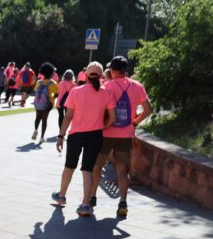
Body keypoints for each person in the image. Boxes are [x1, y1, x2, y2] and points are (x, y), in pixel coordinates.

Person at [90, 56, 152, 218]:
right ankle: (123, 202)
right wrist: (135, 122)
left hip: (106, 133)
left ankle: (92, 197)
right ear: (126, 70)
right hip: (126, 134)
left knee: (97, 165)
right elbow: (148, 109)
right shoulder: (137, 86)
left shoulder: (107, 86)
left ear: (112, 70)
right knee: (122, 170)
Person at [53, 62, 116, 217]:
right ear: (101, 76)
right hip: (95, 135)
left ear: (85, 75)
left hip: (76, 135)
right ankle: (85, 205)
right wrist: (102, 126)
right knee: (87, 170)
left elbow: (68, 116)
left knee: (69, 166)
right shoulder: (107, 94)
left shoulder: (76, 91)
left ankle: (61, 196)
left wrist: (61, 136)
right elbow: (113, 118)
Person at [31, 62, 59, 144]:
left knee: (37, 117)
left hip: (38, 103)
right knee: (44, 120)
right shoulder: (53, 83)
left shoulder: (39, 82)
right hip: (48, 104)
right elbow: (56, 94)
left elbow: (36, 91)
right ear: (51, 73)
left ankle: (35, 130)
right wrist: (52, 96)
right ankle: (42, 137)